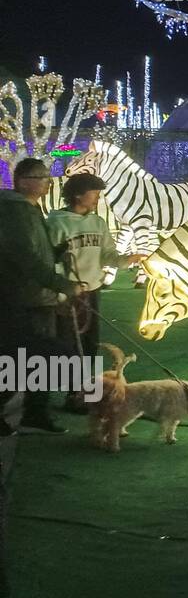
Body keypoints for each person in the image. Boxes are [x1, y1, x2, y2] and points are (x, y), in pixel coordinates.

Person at [44, 173, 146, 413]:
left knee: (88, 344)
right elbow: (49, 261)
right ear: (78, 194)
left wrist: (127, 260)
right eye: (95, 193)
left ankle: (84, 392)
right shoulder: (56, 223)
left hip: (92, 291)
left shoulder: (98, 223)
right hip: (67, 294)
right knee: (69, 345)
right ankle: (72, 394)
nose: (98, 199)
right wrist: (60, 291)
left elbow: (108, 255)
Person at [0, 158, 85, 436]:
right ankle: (27, 413)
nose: (49, 184)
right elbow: (25, 256)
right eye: (43, 178)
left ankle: (35, 413)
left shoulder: (29, 209)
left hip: (36, 297)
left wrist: (57, 252)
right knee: (27, 357)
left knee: (31, 359)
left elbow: (35, 251)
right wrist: (62, 284)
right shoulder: (15, 211)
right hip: (21, 299)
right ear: (24, 181)